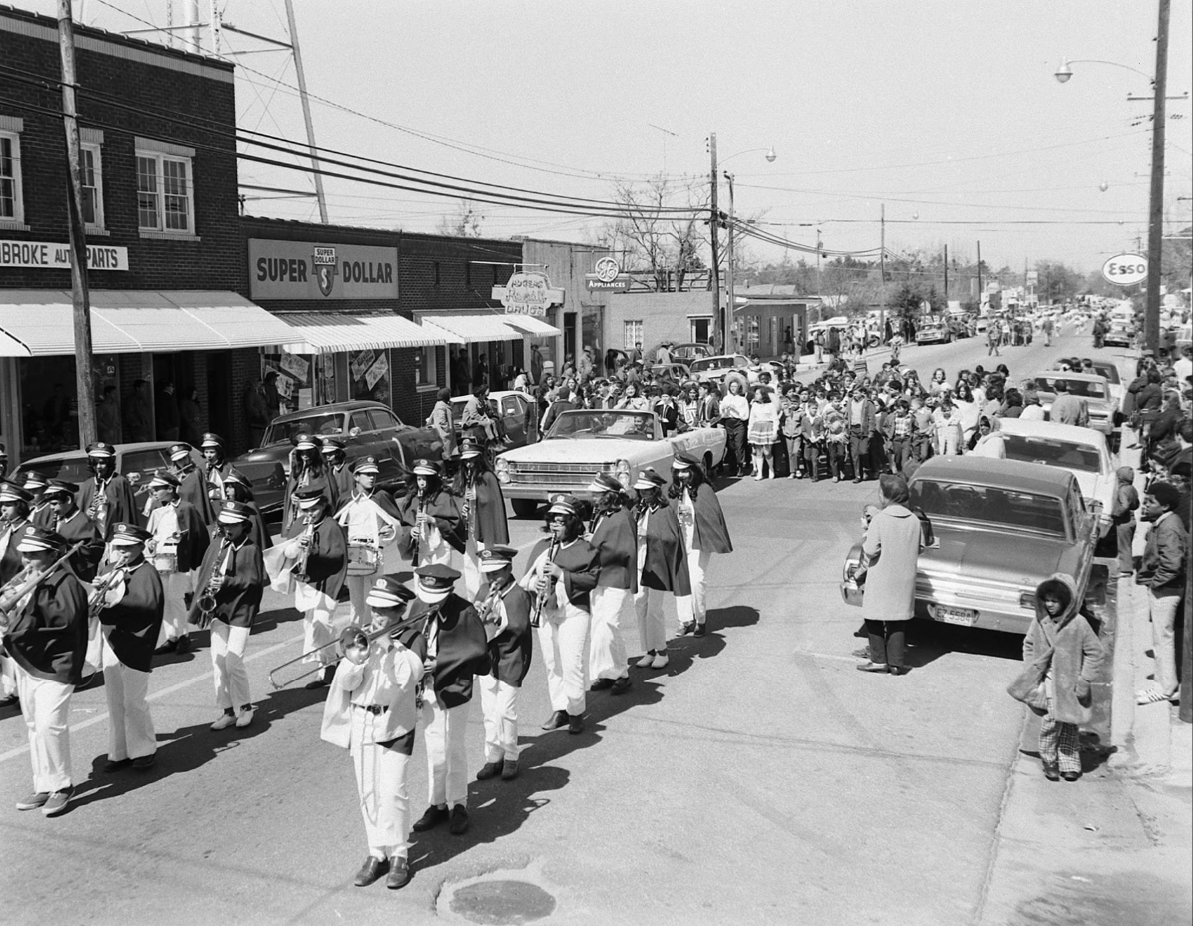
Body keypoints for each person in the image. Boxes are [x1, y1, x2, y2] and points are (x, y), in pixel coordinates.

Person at [320, 577, 422, 890]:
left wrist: (390, 646)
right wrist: (357, 661)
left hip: (395, 724)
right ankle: (376, 852)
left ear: (400, 611)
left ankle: (400, 853)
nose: (376, 616)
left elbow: (410, 676)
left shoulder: (412, 637)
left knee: (392, 791)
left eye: (384, 610)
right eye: (374, 609)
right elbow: (347, 684)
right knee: (368, 791)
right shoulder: (360, 638)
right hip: (362, 722)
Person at [1, 527, 88, 816]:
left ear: (54, 554)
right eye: (25, 554)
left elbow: (66, 622)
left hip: (57, 663)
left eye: (34, 554)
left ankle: (62, 785)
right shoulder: (30, 579)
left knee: (50, 724)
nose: (27, 561)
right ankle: (44, 783)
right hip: (28, 659)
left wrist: (24, 606)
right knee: (34, 725)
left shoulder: (66, 582)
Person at [405, 564, 491, 837]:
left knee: (454, 747)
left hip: (454, 688)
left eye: (437, 598)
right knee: (434, 748)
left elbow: (477, 650)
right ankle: (437, 803)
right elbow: (409, 637)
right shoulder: (421, 604)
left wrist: (439, 663)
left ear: (448, 591)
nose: (431, 603)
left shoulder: (465, 611)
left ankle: (459, 804)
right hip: (427, 688)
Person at [521, 495, 600, 733]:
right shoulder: (542, 547)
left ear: (572, 523)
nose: (555, 525)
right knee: (552, 663)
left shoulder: (586, 548)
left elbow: (591, 580)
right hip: (546, 611)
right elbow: (525, 580)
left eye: (561, 521)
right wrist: (534, 583)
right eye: (553, 520)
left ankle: (576, 712)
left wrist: (560, 573)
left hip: (573, 612)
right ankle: (560, 709)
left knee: (571, 663)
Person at [93, 523, 165, 772]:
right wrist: (96, 591)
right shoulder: (109, 568)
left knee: (134, 700)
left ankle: (144, 750)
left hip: (136, 642)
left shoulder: (147, 572)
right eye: (119, 547)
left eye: (128, 547)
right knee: (114, 700)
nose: (122, 551)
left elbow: (148, 606)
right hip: (111, 637)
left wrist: (115, 600)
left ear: (140, 546)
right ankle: (119, 752)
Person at [1018, 574, 1104, 781]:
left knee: (1069, 723)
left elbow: (1095, 653)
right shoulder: (1040, 621)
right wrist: (1031, 669)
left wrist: (1084, 679)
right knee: (1052, 719)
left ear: (1067, 601)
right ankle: (1049, 759)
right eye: (1047, 600)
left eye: (1055, 601)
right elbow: (1029, 644)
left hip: (1070, 684)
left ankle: (1069, 763)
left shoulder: (1079, 624)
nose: (1049, 605)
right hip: (1047, 681)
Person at [191, 500, 267, 730]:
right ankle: (227, 710)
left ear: (244, 525)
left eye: (233, 525)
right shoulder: (218, 544)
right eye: (224, 524)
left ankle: (244, 707)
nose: (227, 529)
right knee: (218, 663)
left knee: (233, 662)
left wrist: (226, 581)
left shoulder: (251, 549)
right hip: (219, 609)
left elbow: (255, 580)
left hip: (241, 610)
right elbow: (205, 573)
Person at [473, 545, 534, 782]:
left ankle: (511, 755)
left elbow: (519, 628)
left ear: (509, 569)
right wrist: (476, 612)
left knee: (505, 711)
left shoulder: (518, 595)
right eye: (488, 573)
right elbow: (473, 621)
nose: (492, 578)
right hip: (488, 659)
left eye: (497, 573)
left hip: (511, 658)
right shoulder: (484, 589)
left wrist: (495, 619)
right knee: (489, 711)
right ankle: (493, 756)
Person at [854, 475, 923, 676]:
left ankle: (878, 660)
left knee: (874, 617)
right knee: (897, 619)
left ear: (887, 496)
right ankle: (896, 663)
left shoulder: (880, 520)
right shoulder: (914, 520)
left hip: (882, 576)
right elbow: (920, 547)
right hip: (905, 577)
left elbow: (871, 550)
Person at [281, 484, 348, 690]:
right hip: (306, 583)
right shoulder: (300, 524)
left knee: (322, 624)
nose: (310, 514)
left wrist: (314, 552)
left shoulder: (331, 526)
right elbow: (287, 553)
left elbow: (338, 555)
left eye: (314, 509)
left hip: (327, 582)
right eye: (306, 510)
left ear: (323, 506)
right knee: (310, 626)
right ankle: (327, 666)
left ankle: (330, 667)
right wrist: (298, 546)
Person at [1134, 482, 1188, 706]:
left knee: (1162, 641)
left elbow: (1172, 564)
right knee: (1162, 639)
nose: (1145, 505)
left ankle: (1165, 688)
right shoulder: (1166, 522)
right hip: (1167, 588)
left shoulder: (1168, 527)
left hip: (1166, 590)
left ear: (1165, 506)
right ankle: (1164, 682)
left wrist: (1155, 584)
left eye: (1151, 502)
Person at [146, 472, 209, 656]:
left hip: (178, 557)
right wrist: (150, 542)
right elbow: (152, 532)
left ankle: (183, 635)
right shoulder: (157, 508)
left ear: (170, 489)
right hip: (159, 557)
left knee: (176, 597)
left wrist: (190, 554)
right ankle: (171, 636)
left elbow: (198, 533)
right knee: (164, 599)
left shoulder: (186, 507)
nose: (154, 492)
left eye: (158, 489)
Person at [335, 457, 404, 626]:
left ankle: (376, 629)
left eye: (374, 474)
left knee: (374, 596)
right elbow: (337, 527)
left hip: (375, 552)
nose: (372, 477)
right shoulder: (346, 499)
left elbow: (396, 523)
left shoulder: (381, 496)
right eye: (367, 474)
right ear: (356, 477)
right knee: (356, 600)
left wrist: (389, 531)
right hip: (353, 553)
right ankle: (357, 631)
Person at [631, 470, 690, 668]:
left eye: (647, 490)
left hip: (658, 565)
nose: (643, 494)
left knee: (654, 610)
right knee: (640, 605)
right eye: (641, 490)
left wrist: (647, 534)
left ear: (655, 490)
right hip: (640, 563)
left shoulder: (664, 510)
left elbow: (671, 538)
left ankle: (662, 652)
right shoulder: (639, 508)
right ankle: (649, 650)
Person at [586, 473, 637, 695]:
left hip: (616, 578)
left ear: (609, 496)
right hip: (599, 577)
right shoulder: (603, 514)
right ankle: (605, 672)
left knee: (610, 625)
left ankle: (622, 674)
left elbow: (624, 551)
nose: (593, 499)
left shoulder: (623, 517)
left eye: (597, 495)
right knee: (598, 627)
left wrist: (593, 547)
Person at [453, 439, 509, 598]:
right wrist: (462, 505)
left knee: (485, 562)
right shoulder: (462, 477)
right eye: (466, 461)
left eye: (472, 460)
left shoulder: (488, 477)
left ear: (478, 459)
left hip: (484, 527)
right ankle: (473, 598)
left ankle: (489, 596)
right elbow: (454, 498)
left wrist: (477, 497)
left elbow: (494, 502)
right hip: (468, 526)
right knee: (469, 562)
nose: (469, 464)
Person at [399, 459, 462, 568]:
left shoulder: (443, 497)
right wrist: (411, 531)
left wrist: (432, 520)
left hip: (441, 546)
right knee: (421, 577)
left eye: (425, 479)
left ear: (432, 480)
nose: (422, 483)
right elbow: (405, 524)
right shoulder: (413, 499)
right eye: (419, 479)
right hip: (421, 546)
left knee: (441, 575)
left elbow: (454, 523)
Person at [41, 479, 104, 582]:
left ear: (68, 500)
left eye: (55, 504)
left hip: (77, 577)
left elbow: (95, 550)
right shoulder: (55, 519)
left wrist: (67, 549)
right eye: (50, 504)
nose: (51, 508)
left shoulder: (83, 522)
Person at [75, 442, 138, 541]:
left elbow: (127, 512)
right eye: (95, 464)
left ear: (109, 464)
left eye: (102, 463)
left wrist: (109, 503)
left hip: (115, 535)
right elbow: (79, 516)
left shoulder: (120, 482)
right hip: (94, 537)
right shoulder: (88, 484)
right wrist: (87, 513)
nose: (98, 467)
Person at [1110, 466, 1140, 578]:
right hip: (1132, 520)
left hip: (1124, 522)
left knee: (1123, 547)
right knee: (1127, 545)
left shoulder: (1122, 490)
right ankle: (1123, 566)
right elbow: (1136, 504)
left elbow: (1125, 505)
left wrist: (1116, 513)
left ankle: (1125, 570)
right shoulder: (1132, 489)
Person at [747, 386, 779, 480]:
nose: (755, 395)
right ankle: (760, 473)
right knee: (758, 452)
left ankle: (771, 469)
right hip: (757, 428)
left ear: (763, 395)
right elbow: (751, 419)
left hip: (768, 428)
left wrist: (775, 432)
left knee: (767, 452)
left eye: (758, 394)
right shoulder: (754, 405)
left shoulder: (771, 405)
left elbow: (775, 419)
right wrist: (749, 431)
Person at [720, 378, 750, 477]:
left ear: (739, 388)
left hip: (739, 422)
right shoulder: (726, 398)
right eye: (731, 386)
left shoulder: (742, 399)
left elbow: (745, 415)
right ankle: (732, 466)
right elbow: (722, 413)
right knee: (730, 445)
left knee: (739, 445)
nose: (733, 388)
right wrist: (724, 409)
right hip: (728, 422)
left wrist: (735, 408)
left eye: (735, 386)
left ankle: (740, 466)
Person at [847, 385, 877, 483]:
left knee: (863, 451)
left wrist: (871, 431)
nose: (854, 395)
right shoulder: (850, 402)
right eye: (853, 393)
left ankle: (867, 468)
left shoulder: (868, 403)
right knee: (854, 454)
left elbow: (871, 418)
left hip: (864, 430)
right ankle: (858, 475)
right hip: (853, 430)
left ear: (862, 393)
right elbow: (847, 415)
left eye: (856, 393)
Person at [321, 437, 355, 504]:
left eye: (331, 454)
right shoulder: (326, 469)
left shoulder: (349, 468)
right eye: (326, 454)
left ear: (338, 453)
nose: (328, 457)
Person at [426, 388, 457, 461]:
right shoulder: (441, 406)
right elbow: (442, 420)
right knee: (446, 454)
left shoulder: (442, 404)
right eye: (448, 395)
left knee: (449, 453)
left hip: (446, 435)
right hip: (444, 435)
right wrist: (447, 429)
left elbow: (431, 418)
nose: (450, 396)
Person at [244, 379, 269, 449]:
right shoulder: (251, 393)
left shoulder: (260, 392)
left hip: (262, 418)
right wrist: (256, 412)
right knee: (256, 438)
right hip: (256, 419)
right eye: (258, 383)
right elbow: (249, 405)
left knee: (262, 436)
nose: (259, 385)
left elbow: (265, 402)